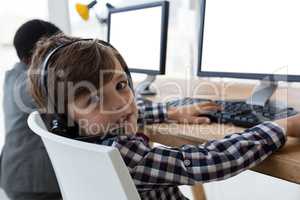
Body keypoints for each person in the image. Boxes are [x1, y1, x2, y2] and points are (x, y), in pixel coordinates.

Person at [28, 34, 300, 200]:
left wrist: (169, 112)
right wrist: (279, 127)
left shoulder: (82, 137)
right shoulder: (123, 153)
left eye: (122, 86)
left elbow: (125, 115)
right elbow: (207, 161)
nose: (122, 105)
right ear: (63, 119)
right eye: (94, 98)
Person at [0, 19, 62, 200]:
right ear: (38, 52)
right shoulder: (31, 82)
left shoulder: (14, 75)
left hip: (16, 171)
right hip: (32, 182)